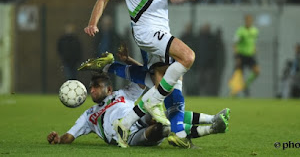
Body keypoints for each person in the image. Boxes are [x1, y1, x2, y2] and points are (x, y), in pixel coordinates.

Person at [83, 0, 218, 148]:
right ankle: (156, 105)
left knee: (169, 84)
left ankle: (128, 120)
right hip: (146, 33)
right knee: (188, 57)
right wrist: (93, 22)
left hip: (162, 31)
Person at [47, 73, 228, 147]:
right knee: (161, 128)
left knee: (164, 114)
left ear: (109, 90)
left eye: (96, 86)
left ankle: (213, 118)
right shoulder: (89, 115)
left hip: (137, 119)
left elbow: (141, 75)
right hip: (128, 137)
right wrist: (58, 139)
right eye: (91, 87)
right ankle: (212, 128)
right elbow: (70, 136)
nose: (92, 90)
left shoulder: (122, 93)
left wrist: (126, 62)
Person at [229, 14, 260, 97]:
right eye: (247, 20)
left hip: (250, 55)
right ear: (245, 21)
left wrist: (254, 48)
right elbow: (235, 44)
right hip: (241, 55)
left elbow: (253, 42)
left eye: (250, 20)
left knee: (257, 71)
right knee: (239, 75)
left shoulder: (255, 31)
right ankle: (234, 93)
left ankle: (245, 85)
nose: (249, 22)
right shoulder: (240, 31)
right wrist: (237, 57)